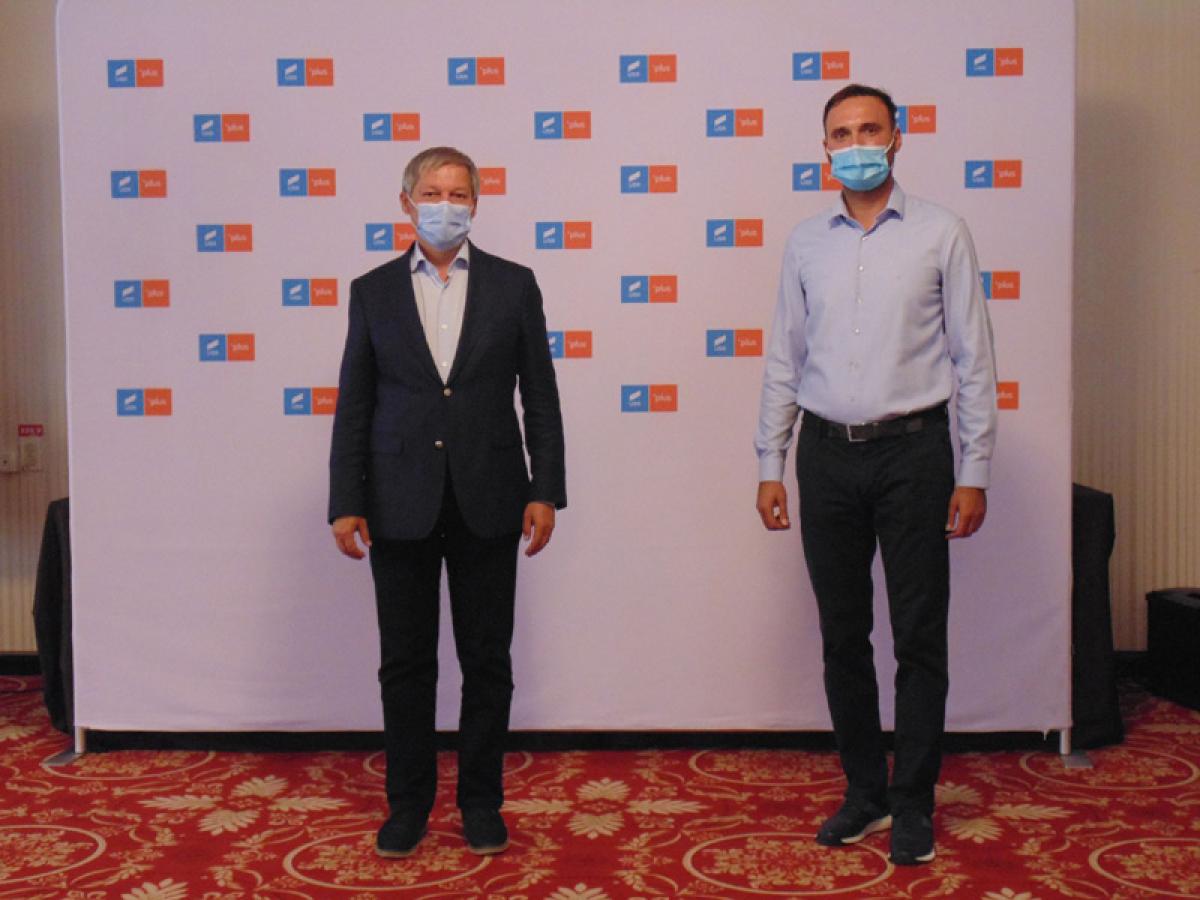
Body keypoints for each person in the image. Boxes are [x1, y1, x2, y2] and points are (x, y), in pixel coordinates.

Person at [754, 84, 997, 866]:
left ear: (897, 138)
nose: (855, 143)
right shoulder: (806, 244)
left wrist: (974, 469)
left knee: (920, 636)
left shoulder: (941, 232)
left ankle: (913, 801)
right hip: (824, 455)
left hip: (914, 455)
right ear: (823, 148)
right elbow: (785, 358)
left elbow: (973, 358)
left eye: (869, 129)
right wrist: (770, 461)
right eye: (841, 133)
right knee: (842, 636)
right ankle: (865, 792)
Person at [329, 146, 566, 859]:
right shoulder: (372, 291)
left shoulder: (514, 284)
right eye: (431, 193)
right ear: (406, 203)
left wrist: (546, 489)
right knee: (405, 665)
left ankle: (481, 803)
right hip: (397, 501)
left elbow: (540, 395)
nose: (445, 205)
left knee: (487, 662)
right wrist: (346, 500)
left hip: (490, 497)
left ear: (476, 203)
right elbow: (355, 402)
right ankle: (408, 807)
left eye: (458, 193)